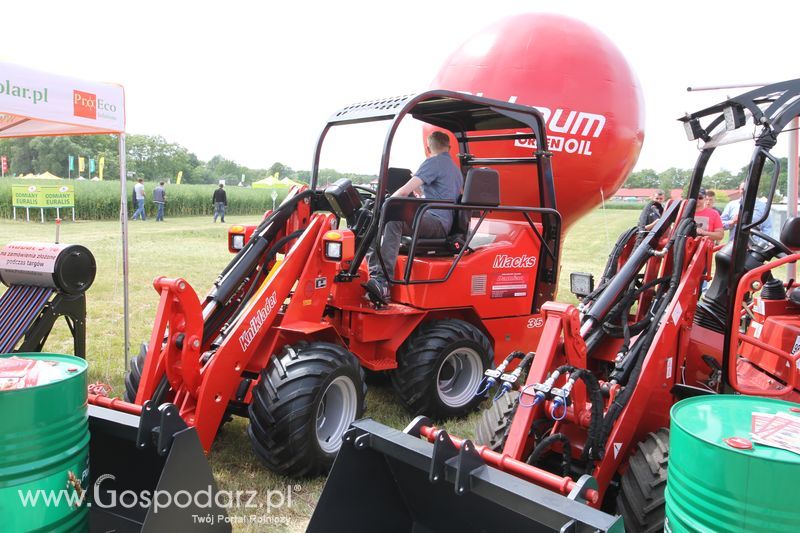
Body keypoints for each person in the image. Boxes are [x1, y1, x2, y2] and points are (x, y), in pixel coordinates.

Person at [363, 131, 463, 304]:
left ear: (428, 147)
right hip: (442, 220)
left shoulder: (433, 162)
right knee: (382, 220)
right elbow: (442, 194)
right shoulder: (455, 170)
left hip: (436, 221)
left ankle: (382, 281)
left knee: (393, 219)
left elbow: (403, 191)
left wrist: (385, 204)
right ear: (449, 146)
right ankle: (377, 276)